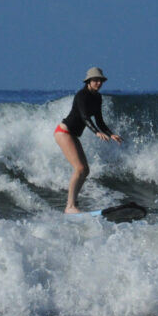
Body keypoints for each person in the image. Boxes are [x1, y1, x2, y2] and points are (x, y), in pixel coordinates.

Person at [54, 66, 123, 213]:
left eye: (101, 81)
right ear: (89, 81)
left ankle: (73, 203)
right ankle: (70, 206)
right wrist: (96, 133)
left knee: (85, 170)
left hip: (72, 135)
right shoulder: (82, 95)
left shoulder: (97, 98)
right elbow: (85, 117)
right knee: (79, 168)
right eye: (96, 80)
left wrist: (110, 134)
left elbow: (100, 120)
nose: (99, 83)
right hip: (63, 132)